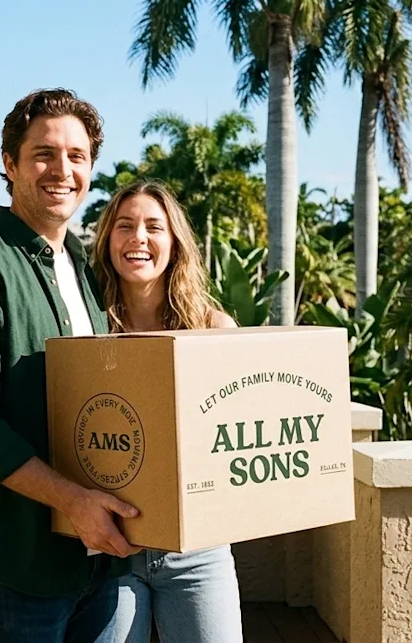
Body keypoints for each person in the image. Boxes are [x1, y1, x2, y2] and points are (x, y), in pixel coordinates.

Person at [0, 88, 141, 643]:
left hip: (97, 558)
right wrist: (73, 500)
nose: (61, 170)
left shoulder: (85, 271)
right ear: (9, 163)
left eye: (76, 156)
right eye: (43, 153)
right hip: (14, 564)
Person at [91, 179, 244, 643]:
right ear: (107, 241)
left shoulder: (213, 330)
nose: (139, 237)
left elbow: (237, 435)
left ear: (174, 243)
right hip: (108, 551)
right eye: (125, 225)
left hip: (198, 550)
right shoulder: (85, 328)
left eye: (154, 227)